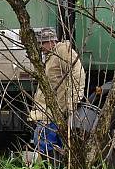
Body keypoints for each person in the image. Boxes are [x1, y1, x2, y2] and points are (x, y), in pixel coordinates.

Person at [27, 27, 86, 161]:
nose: (40, 47)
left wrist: (72, 100)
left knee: (43, 141)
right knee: (52, 143)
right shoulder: (52, 55)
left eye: (42, 43)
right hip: (50, 110)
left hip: (54, 110)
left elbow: (78, 74)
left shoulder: (62, 52)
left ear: (51, 41)